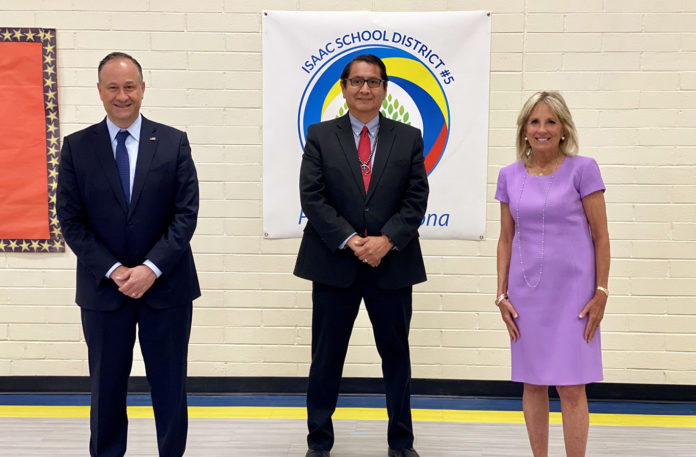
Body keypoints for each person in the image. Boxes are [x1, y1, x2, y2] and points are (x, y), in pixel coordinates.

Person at [57, 52, 200, 457]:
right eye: (113, 87)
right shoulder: (77, 147)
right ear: (100, 92)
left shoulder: (173, 142)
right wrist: (116, 269)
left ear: (142, 88)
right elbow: (70, 219)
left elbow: (185, 214)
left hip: (167, 287)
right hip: (105, 290)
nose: (123, 96)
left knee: (170, 385)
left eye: (130, 86)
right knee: (106, 388)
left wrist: (151, 269)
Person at [294, 54, 429, 457]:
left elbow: (416, 199)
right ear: (343, 87)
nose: (365, 89)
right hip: (335, 264)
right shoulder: (320, 135)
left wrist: (386, 240)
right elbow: (312, 198)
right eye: (356, 82)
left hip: (392, 265)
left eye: (373, 82)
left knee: (397, 359)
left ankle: (401, 443)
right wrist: (353, 240)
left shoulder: (408, 137)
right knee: (325, 360)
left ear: (385, 89)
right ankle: (318, 442)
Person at [495, 91, 610, 457]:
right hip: (526, 296)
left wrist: (601, 292)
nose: (542, 129)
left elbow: (601, 236)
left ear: (563, 129)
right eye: (534, 121)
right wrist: (501, 295)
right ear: (524, 129)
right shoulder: (509, 176)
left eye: (550, 121)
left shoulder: (584, 169)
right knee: (532, 384)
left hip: (575, 297)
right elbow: (506, 239)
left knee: (572, 387)